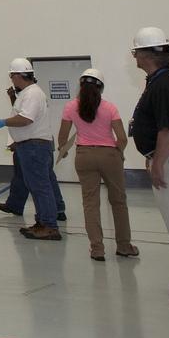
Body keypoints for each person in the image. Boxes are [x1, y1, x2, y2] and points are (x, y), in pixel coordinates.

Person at [126, 27, 169, 306]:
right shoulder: (160, 80)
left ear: (147, 54)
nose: (134, 57)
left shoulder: (165, 84)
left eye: (135, 51)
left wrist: (158, 162)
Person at [56, 68, 136, 261]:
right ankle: (124, 246)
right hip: (109, 156)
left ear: (81, 85)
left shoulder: (70, 107)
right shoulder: (110, 108)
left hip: (84, 156)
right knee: (118, 201)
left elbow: (62, 138)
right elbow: (122, 138)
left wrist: (63, 151)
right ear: (101, 88)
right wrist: (118, 153)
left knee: (90, 203)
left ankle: (97, 249)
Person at [0, 58, 62, 240]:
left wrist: (4, 122)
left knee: (40, 187)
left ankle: (49, 226)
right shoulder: (28, 93)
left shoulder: (32, 94)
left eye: (12, 76)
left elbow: (26, 119)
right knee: (36, 186)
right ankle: (42, 222)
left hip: (34, 147)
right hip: (30, 146)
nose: (11, 80)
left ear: (18, 75)